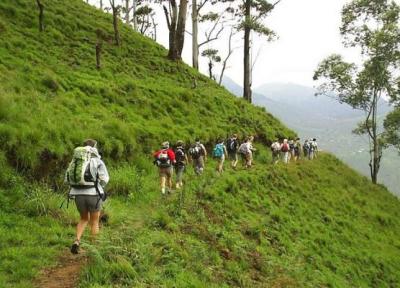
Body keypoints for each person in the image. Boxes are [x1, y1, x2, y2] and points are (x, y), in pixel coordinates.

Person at [65, 139, 109, 254]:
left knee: (83, 219)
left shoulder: (74, 161)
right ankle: (94, 249)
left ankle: (77, 241)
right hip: (93, 194)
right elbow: (105, 179)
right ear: (94, 147)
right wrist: (100, 186)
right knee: (94, 222)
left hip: (77, 195)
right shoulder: (97, 161)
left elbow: (67, 179)